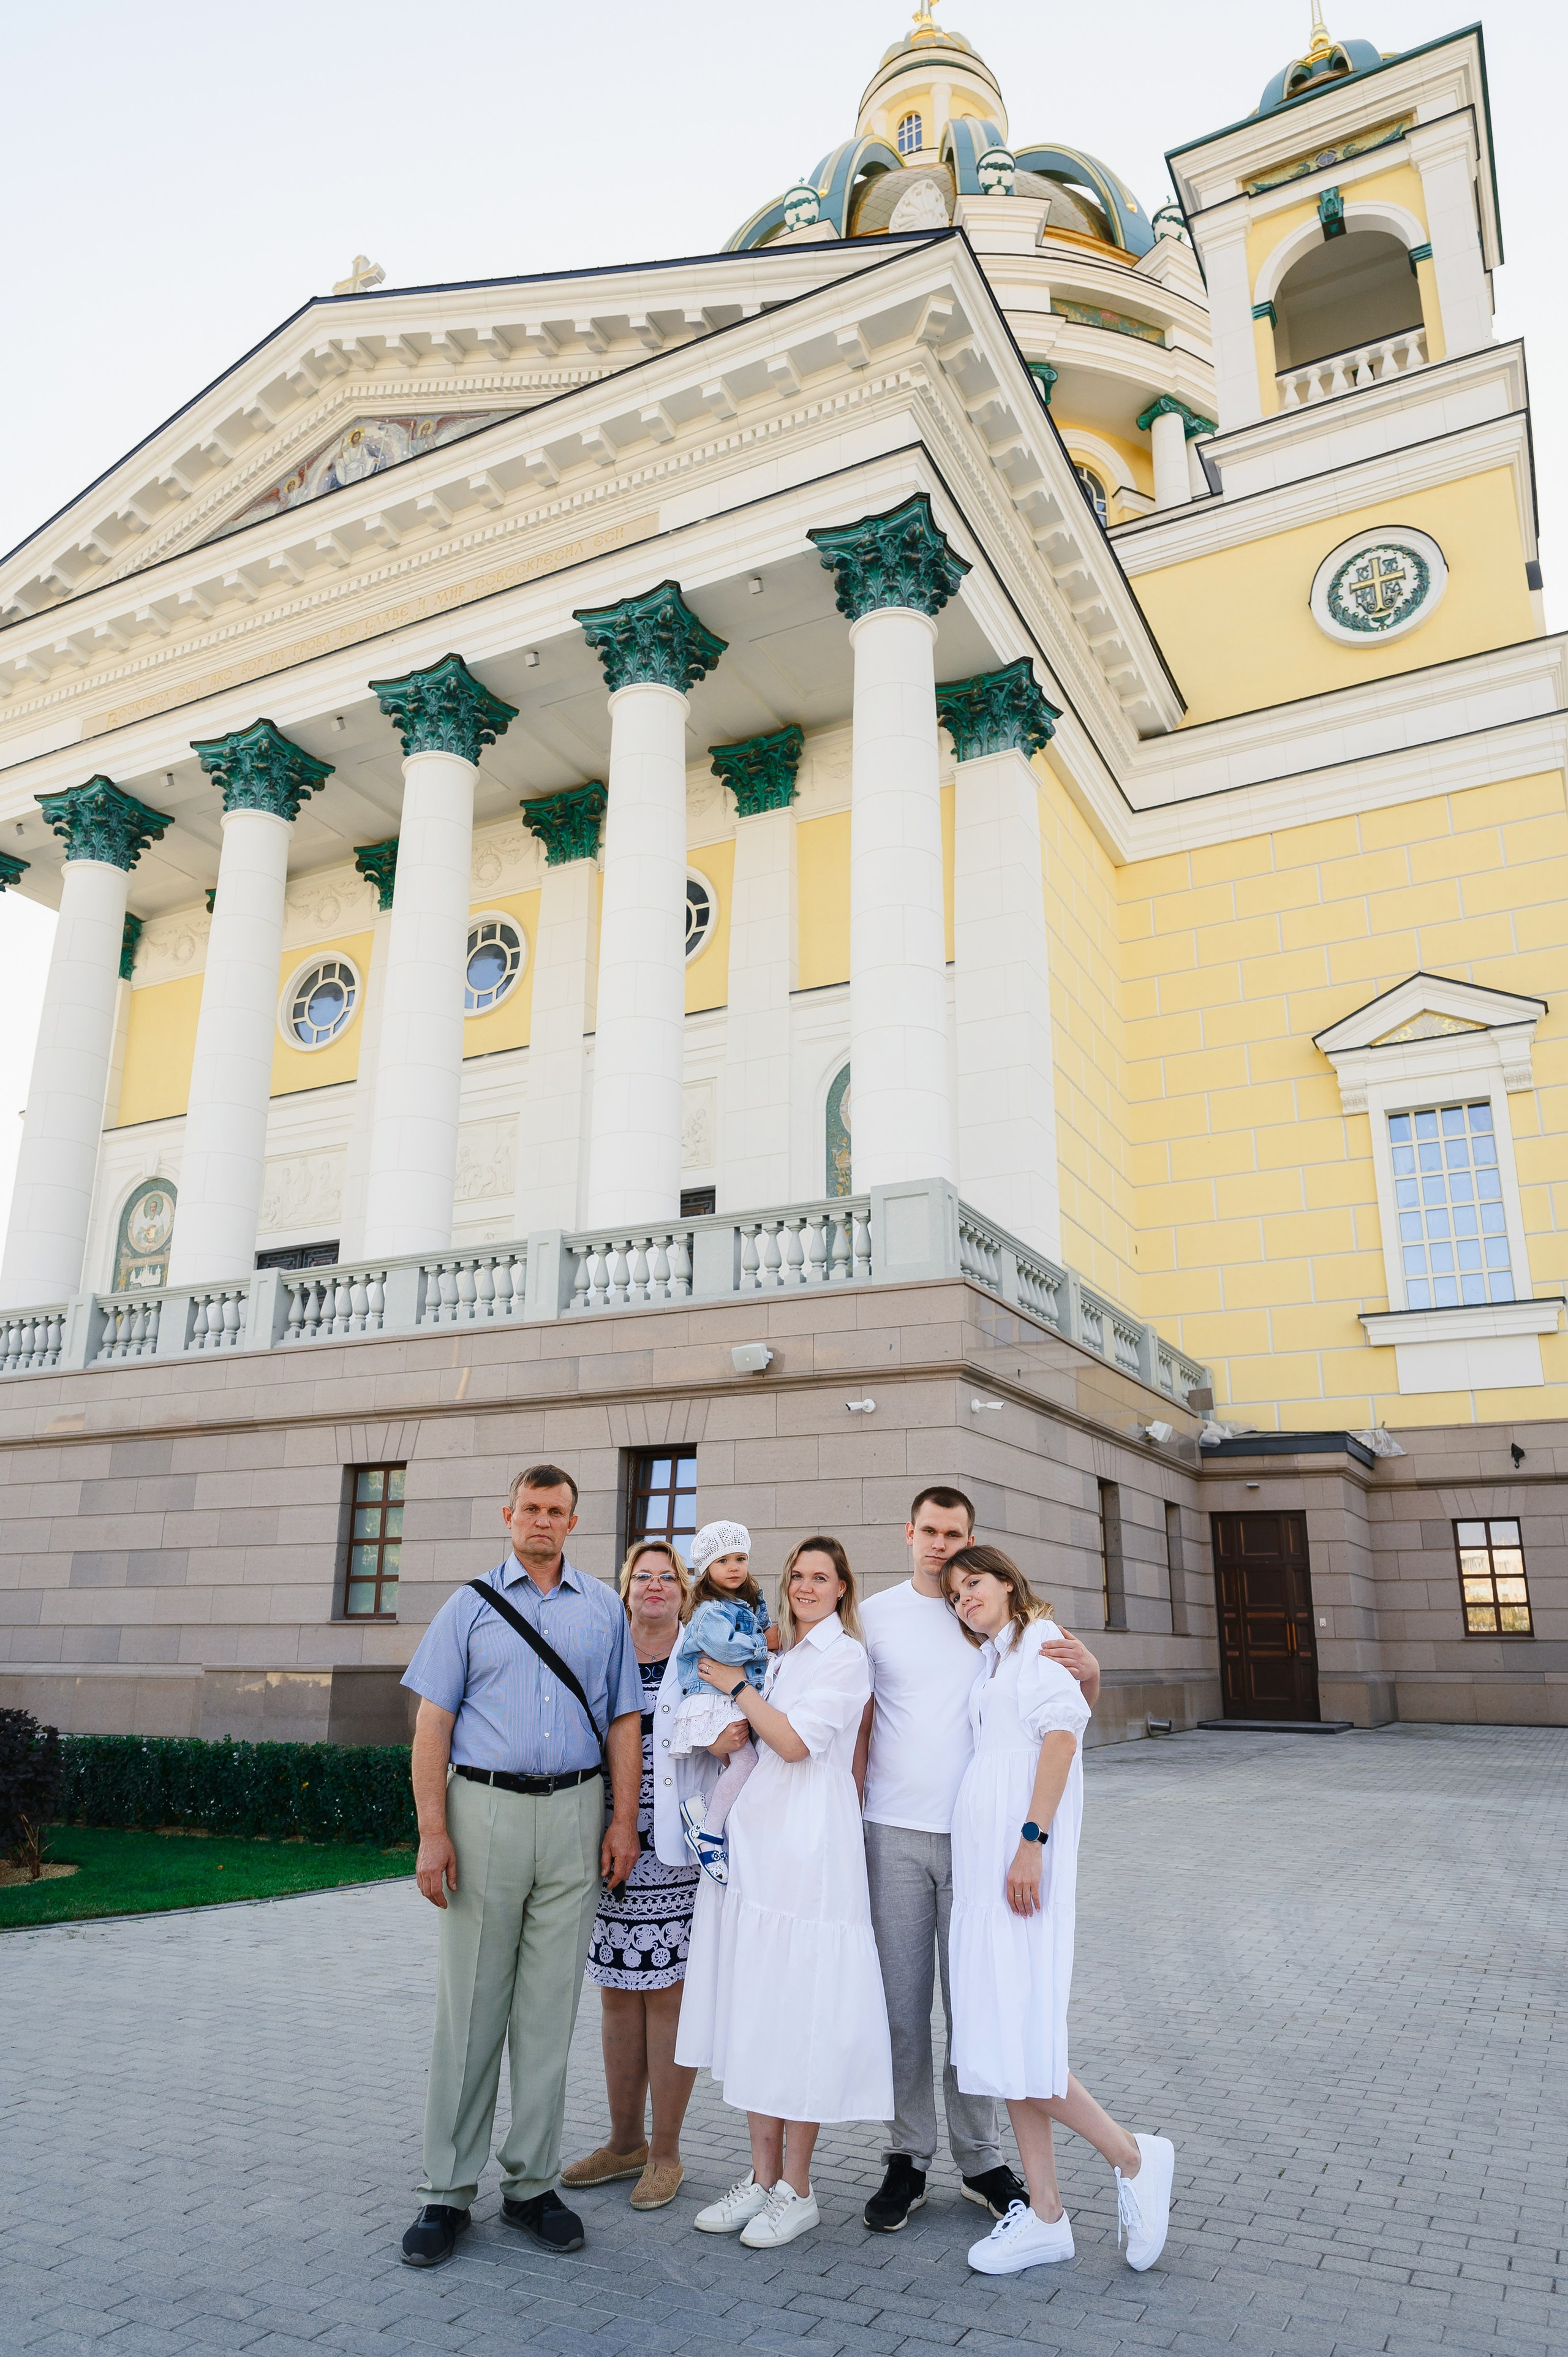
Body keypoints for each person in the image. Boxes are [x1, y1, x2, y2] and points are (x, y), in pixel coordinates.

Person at [398, 1464, 643, 2269]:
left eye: (556, 1510)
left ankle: (533, 2184)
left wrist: (621, 1821)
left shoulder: (604, 1606)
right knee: (471, 2007)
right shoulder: (469, 1605)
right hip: (486, 1811)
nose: (542, 1520)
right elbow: (432, 1725)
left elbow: (624, 1722)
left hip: (575, 1814)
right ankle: (446, 2189)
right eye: (530, 1508)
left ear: (574, 1520)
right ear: (510, 1514)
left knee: (547, 2012)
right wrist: (434, 1832)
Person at [854, 1485, 1102, 2233]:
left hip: (980, 1842)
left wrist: (1091, 1668)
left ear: (974, 1542)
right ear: (907, 1532)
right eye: (927, 1530)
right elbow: (857, 1718)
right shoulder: (877, 1616)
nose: (939, 1544)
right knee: (903, 2008)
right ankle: (908, 2155)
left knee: (976, 2006)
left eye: (952, 1533)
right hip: (891, 1831)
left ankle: (980, 2157)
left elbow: (1063, 1708)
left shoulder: (1001, 1623)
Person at [943, 1544, 1174, 2277]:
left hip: (1019, 1871)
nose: (962, 1599)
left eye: (972, 1583)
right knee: (1004, 2038)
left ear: (1008, 1583)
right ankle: (1045, 2215)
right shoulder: (994, 1657)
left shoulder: (1041, 1640)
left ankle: (1131, 2157)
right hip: (986, 1880)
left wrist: (1030, 1842)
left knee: (1022, 2035)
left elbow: (1062, 1739)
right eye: (953, 1593)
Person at [676, 1537, 893, 2252]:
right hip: (759, 1848)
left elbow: (797, 1742)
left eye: (820, 1577)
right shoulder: (783, 1653)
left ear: (842, 1587)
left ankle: (798, 2188)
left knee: (801, 2009)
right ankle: (762, 2178)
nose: (804, 1586)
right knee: (759, 2007)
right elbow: (748, 1736)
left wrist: (735, 1686)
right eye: (796, 1575)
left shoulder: (844, 1655)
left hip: (809, 1850)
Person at [561, 1540, 703, 2213]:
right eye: (641, 1576)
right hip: (609, 1845)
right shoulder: (602, 1656)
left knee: (667, 1995)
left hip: (677, 1853)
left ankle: (667, 2151)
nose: (653, 1586)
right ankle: (624, 2143)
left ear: (684, 1590)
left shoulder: (705, 1658)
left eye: (666, 1577)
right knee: (616, 1990)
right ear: (623, 1590)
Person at [672, 1519, 777, 1882]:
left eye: (740, 1558)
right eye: (723, 1561)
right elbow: (726, 1651)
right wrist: (766, 1644)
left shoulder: (743, 1602)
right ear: (706, 1570)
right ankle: (709, 1834)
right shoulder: (711, 1611)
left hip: (727, 1696)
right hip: (713, 1698)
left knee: (744, 1764)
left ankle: (702, 1810)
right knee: (746, 1763)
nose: (734, 1567)